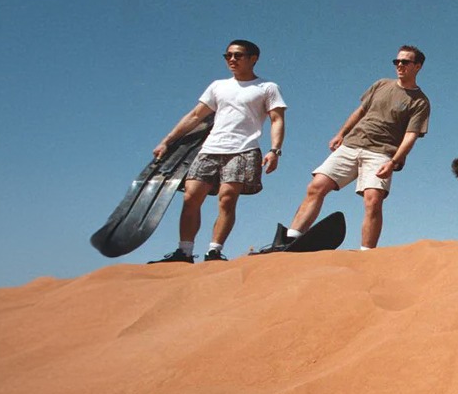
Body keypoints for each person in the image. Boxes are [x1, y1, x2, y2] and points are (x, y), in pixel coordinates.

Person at [272, 46, 430, 251]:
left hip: (382, 153)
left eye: (405, 62)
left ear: (417, 66)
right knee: (316, 186)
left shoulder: (420, 102)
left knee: (373, 200)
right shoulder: (381, 84)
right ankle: (291, 238)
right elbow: (361, 111)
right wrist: (341, 133)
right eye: (397, 61)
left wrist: (393, 161)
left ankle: (366, 254)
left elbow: (410, 136)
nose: (399, 65)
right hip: (351, 145)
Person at [150, 40, 286, 263]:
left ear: (253, 59)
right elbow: (195, 116)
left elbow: (277, 119)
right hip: (210, 149)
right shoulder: (218, 86)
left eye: (238, 55)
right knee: (191, 196)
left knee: (227, 199)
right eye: (228, 55)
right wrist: (167, 141)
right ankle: (184, 251)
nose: (232, 60)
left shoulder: (267, 87)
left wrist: (275, 150)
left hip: (244, 149)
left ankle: (214, 251)